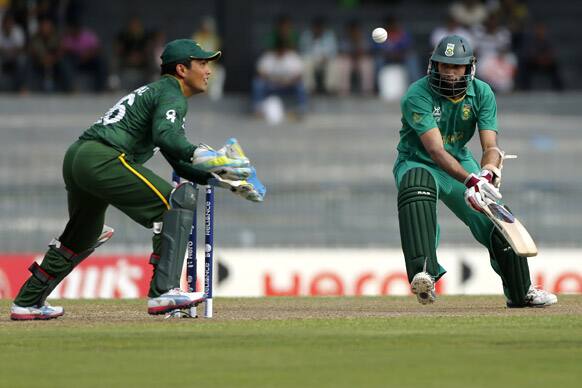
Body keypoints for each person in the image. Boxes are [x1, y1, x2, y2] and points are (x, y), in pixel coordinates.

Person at [10, 39, 265, 321]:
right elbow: (168, 138)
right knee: (177, 200)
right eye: (202, 63)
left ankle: (27, 302)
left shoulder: (159, 93)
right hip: (104, 157)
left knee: (83, 236)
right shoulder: (171, 93)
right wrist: (203, 155)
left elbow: (176, 157)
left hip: (79, 157)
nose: (208, 71)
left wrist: (223, 180)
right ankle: (164, 291)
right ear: (182, 69)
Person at [393, 35, 557, 308]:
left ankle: (521, 292)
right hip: (417, 161)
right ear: (433, 65)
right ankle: (424, 273)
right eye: (444, 65)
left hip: (460, 160)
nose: (450, 72)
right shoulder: (417, 94)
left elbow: (491, 145)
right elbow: (435, 151)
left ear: (470, 67)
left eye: (456, 66)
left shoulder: (482, 93)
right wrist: (470, 179)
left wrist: (487, 174)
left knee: (495, 216)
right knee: (416, 185)